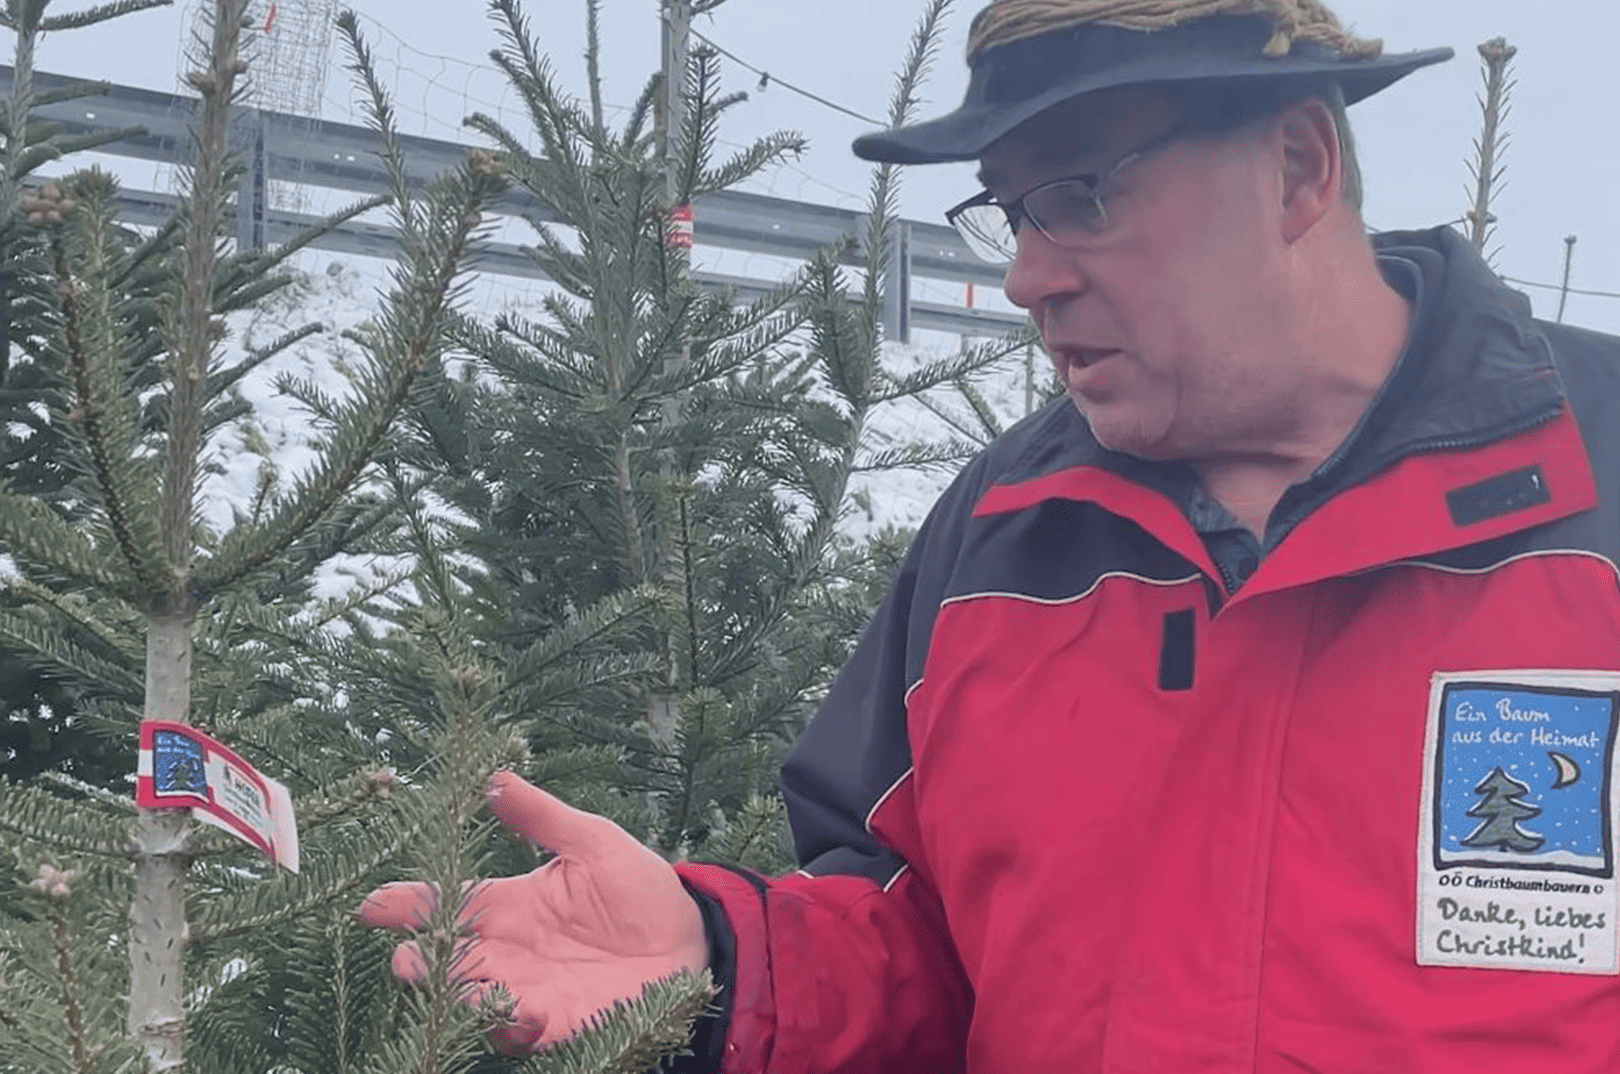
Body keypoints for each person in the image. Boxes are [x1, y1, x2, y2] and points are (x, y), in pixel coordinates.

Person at [362, 0, 1620, 1069]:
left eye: (1079, 196)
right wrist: (721, 961)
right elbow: (915, 940)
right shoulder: (1005, 536)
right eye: (1011, 213)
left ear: (1297, 167)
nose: (1027, 276)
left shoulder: (1594, 484)